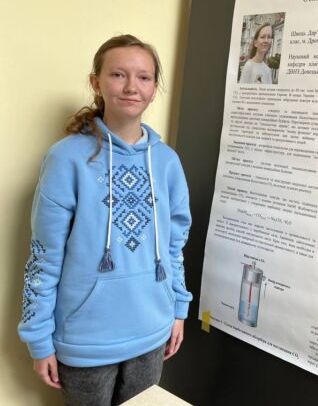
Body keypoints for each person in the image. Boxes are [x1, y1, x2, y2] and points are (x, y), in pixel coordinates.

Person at [17, 34, 192, 405]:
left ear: (154, 88)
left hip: (152, 331)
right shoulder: (66, 159)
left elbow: (175, 246)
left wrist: (178, 308)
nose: (131, 87)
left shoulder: (167, 162)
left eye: (144, 77)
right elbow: (44, 256)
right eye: (118, 74)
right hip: (86, 339)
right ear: (96, 82)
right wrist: (38, 338)